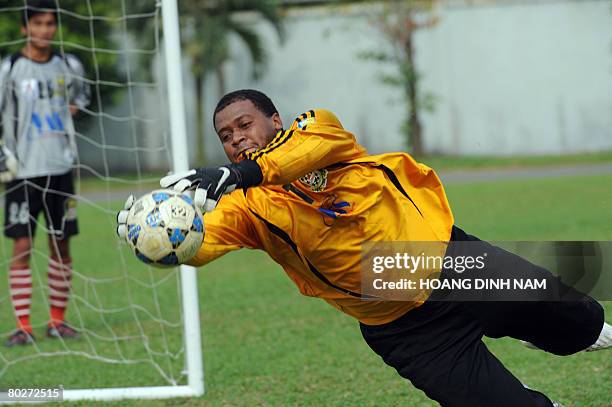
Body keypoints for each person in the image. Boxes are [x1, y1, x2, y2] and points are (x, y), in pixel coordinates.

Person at [117, 89, 610, 406]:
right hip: (398, 324)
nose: (237, 140)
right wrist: (167, 245)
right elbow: (207, 240)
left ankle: (541, 326)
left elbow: (300, 153)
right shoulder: (248, 206)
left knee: (580, 319)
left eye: (244, 125)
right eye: (226, 138)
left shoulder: (316, 130)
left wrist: (238, 173)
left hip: (446, 262)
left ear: (274, 119)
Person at [0, 0, 90, 346]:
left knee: (60, 244)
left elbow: (83, 95)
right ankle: (22, 325)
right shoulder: (10, 68)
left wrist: (75, 107)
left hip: (61, 168)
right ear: (25, 28)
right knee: (22, 245)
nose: (44, 30)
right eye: (37, 24)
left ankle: (57, 321)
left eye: (50, 24)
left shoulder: (69, 65)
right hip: (23, 171)